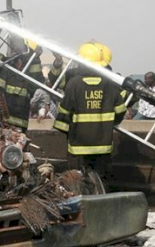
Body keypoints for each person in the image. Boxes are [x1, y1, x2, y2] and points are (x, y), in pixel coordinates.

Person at [53, 42, 126, 184]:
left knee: (79, 181)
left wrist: (66, 129)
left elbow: (64, 111)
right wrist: (110, 123)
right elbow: (120, 110)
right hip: (103, 144)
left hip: (78, 145)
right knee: (101, 180)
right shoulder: (109, 84)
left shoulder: (74, 84)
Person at [0, 34, 45, 131]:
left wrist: (42, 109)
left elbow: (38, 89)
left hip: (19, 125)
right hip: (1, 121)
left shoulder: (31, 74)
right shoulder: (6, 64)